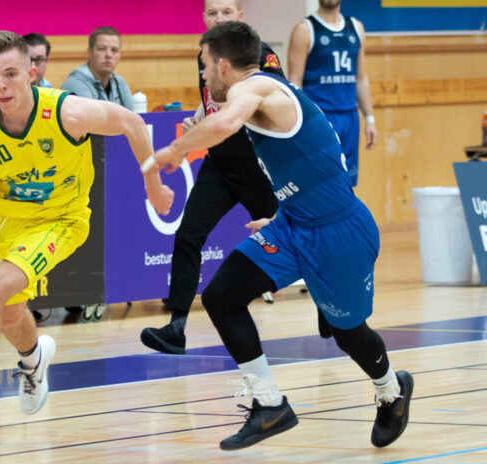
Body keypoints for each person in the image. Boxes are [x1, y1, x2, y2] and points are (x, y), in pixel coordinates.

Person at [146, 21, 413, 451]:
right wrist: (278, 213)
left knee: (348, 333)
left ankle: (391, 391)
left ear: (223, 64)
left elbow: (225, 122)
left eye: (205, 66)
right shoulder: (259, 92)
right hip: (292, 224)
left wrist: (176, 150)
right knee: (221, 296)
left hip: (338, 232)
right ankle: (269, 404)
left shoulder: (255, 89)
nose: (203, 76)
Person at [0, 31, 174, 446]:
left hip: (59, 220)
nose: (1, 85)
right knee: (9, 314)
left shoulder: (67, 113)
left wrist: (152, 185)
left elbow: (132, 122)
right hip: (2, 222)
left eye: (10, 74)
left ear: (31, 73)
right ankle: (33, 360)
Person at [140, 0, 280, 355]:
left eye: (226, 12)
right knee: (188, 236)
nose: (219, 18)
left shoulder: (262, 56)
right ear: (203, 17)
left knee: (292, 237)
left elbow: (270, 103)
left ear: (240, 17)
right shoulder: (205, 55)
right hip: (219, 164)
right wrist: (198, 118)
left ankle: (330, 310)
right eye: (212, 12)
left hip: (259, 168)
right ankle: (176, 327)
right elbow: (212, 100)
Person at [287, 0, 377, 187]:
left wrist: (370, 119)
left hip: (349, 118)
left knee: (347, 181)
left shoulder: (356, 28)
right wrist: (301, 124)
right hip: (320, 118)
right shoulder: (305, 29)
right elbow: (295, 82)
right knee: (321, 181)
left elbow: (361, 78)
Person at [61, 26, 134, 110]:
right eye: (102, 49)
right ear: (89, 53)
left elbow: (135, 116)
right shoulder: (76, 83)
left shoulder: (120, 83)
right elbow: (90, 117)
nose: (109, 55)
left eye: (114, 50)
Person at [0, 32, 52, 100]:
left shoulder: (48, 88)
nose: (33, 65)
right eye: (28, 59)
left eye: (39, 59)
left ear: (47, 62)